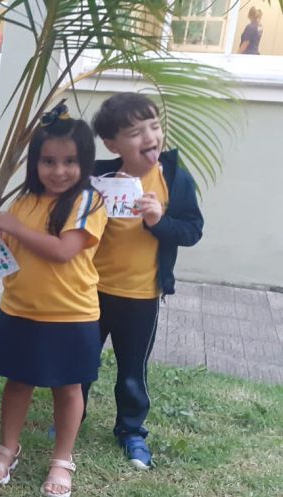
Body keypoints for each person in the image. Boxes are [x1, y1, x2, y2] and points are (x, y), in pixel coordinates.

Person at [0, 103, 106, 497]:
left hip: (71, 314)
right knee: (18, 382)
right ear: (35, 163)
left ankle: (62, 460)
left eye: (70, 161)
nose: (59, 170)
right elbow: (12, 251)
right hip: (20, 309)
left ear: (85, 162)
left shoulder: (89, 202)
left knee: (68, 388)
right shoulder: (25, 201)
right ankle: (7, 447)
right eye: (48, 161)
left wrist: (14, 227)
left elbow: (63, 251)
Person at [83, 92, 204, 470]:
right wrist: (100, 201)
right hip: (89, 291)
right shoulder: (99, 178)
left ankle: (131, 429)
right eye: (136, 132)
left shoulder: (175, 179)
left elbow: (192, 230)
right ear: (113, 144)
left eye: (154, 126)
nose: (150, 137)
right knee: (81, 361)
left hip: (141, 295)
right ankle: (71, 416)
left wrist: (158, 221)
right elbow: (75, 224)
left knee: (133, 370)